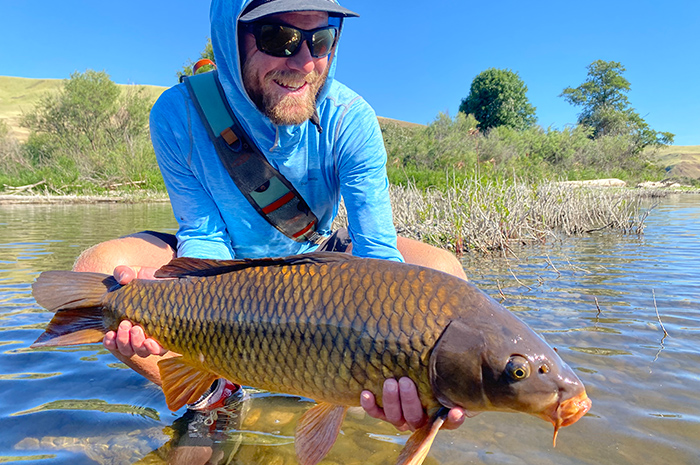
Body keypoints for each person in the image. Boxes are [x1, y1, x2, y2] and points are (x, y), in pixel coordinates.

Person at [74, 0, 466, 433]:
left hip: (312, 257)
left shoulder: (352, 119)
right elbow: (203, 232)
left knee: (443, 271)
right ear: (230, 40)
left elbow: (377, 253)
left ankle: (335, 384)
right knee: (98, 272)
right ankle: (216, 394)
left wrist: (406, 361)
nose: (303, 62)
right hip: (221, 258)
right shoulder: (177, 113)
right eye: (279, 38)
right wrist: (173, 295)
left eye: (320, 39)